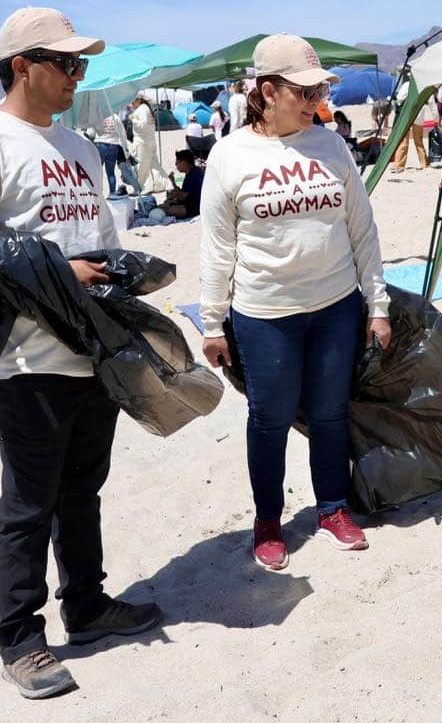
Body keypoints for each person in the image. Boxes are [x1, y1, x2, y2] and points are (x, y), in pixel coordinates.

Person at [0, 6, 162, 701]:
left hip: (91, 349)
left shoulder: (79, 146)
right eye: (65, 63)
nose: (76, 75)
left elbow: (94, 232)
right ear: (22, 67)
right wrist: (62, 273)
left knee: (81, 493)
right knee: (29, 502)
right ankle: (21, 638)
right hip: (28, 359)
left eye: (80, 64)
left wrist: (121, 271)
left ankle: (87, 606)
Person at [198, 33, 392, 572]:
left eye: (318, 90)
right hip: (264, 314)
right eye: (303, 92)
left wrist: (376, 305)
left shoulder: (329, 144)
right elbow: (217, 247)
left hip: (334, 305)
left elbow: (362, 226)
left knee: (331, 413)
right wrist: (212, 322)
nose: (315, 101)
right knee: (270, 417)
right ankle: (268, 519)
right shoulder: (230, 155)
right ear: (266, 91)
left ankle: (332, 507)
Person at [129, 93, 167, 192]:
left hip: (143, 141)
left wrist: (133, 119)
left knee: (142, 165)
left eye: (133, 101)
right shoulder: (147, 109)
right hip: (149, 140)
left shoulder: (142, 109)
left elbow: (143, 125)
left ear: (138, 100)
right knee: (154, 164)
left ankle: (143, 187)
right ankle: (159, 185)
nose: (132, 103)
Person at [160, 149, 204, 218]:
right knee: (170, 200)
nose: (176, 166)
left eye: (177, 163)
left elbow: (182, 196)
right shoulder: (194, 171)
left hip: (194, 207)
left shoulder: (193, 174)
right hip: (194, 204)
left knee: (172, 210)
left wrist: (173, 184)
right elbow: (183, 193)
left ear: (184, 162)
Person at [93, 114, 123, 195]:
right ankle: (112, 193)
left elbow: (91, 132)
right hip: (113, 145)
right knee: (111, 172)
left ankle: (98, 192)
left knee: (97, 171)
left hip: (101, 144)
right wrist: (125, 147)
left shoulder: (98, 115)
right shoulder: (116, 117)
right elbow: (122, 133)